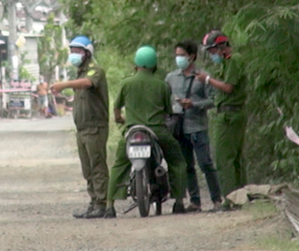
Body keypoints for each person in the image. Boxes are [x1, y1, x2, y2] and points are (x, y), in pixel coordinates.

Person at [106, 46, 187, 218]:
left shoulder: (126, 83)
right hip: (157, 131)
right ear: (154, 65)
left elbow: (116, 108)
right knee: (177, 161)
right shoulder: (162, 85)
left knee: (119, 165)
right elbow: (168, 112)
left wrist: (120, 119)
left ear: (135, 65)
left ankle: (109, 205)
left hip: (132, 131)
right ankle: (179, 201)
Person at [51, 36, 109, 219]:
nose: (74, 55)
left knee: (97, 166)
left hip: (95, 127)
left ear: (87, 53)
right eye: (72, 51)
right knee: (88, 169)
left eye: (78, 51)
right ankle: (93, 203)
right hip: (82, 129)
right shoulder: (80, 73)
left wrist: (65, 85)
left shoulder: (95, 70)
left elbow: (88, 83)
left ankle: (102, 204)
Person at [165, 40, 222, 212]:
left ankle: (216, 200)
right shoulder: (170, 78)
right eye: (177, 55)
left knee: (205, 164)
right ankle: (195, 201)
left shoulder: (203, 77)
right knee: (186, 166)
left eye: (182, 55)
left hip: (197, 126)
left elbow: (214, 100)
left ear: (192, 56)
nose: (179, 58)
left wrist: (195, 104)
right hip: (179, 127)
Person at [195, 30, 248, 209]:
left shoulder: (234, 60)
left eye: (212, 50)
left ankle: (230, 199)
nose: (211, 55)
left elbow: (228, 87)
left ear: (221, 47)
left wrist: (208, 80)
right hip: (229, 113)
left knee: (224, 158)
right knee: (234, 158)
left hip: (229, 115)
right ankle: (240, 196)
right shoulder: (227, 62)